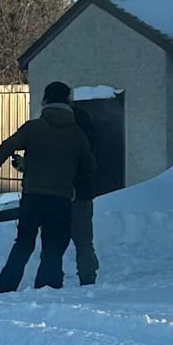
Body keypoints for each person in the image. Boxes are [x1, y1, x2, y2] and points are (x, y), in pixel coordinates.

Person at [0, 81, 96, 292]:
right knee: (53, 246)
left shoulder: (33, 128)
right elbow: (89, 167)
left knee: (23, 243)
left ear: (45, 102)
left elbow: (7, 146)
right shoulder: (76, 133)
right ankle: (47, 287)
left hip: (32, 197)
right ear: (68, 102)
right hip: (60, 199)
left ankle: (6, 287)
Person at [70, 101, 99, 286]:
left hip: (56, 195)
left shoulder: (59, 136)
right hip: (82, 194)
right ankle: (88, 276)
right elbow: (90, 167)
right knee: (84, 241)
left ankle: (50, 278)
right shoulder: (87, 138)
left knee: (53, 242)